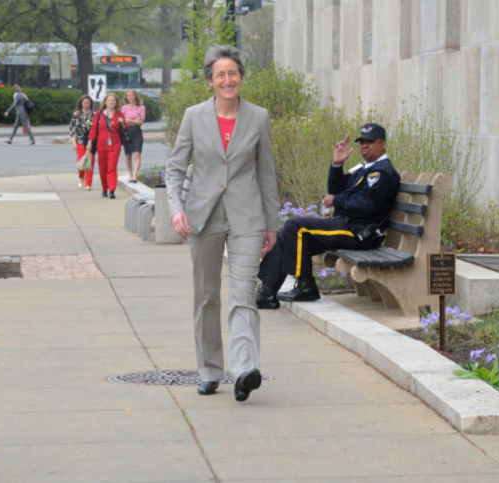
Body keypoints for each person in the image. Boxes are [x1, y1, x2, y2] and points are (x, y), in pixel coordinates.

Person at [166, 45, 279, 402]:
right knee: (207, 296)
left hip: (247, 217)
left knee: (244, 294)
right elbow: (175, 167)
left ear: (241, 77)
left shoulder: (258, 117)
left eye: (233, 73)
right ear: (211, 81)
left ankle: (244, 370)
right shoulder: (194, 116)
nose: (228, 80)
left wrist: (272, 224)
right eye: (221, 75)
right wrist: (175, 208)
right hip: (203, 216)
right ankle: (209, 370)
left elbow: (266, 174)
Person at [256, 122, 401, 309]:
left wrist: (336, 201)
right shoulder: (365, 169)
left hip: (361, 233)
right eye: (362, 142)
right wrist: (337, 165)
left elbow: (368, 205)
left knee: (295, 226)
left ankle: (306, 285)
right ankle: (267, 291)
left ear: (382, 144)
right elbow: (336, 188)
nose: (365, 145)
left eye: (370, 141)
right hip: (346, 225)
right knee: (287, 233)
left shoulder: (383, 172)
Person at [86, 93, 127, 199]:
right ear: (105, 102)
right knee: (102, 168)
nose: (111, 102)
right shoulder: (99, 114)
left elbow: (125, 128)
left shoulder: (119, 114)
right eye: (109, 100)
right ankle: (105, 188)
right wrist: (90, 142)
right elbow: (94, 129)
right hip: (101, 144)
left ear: (116, 103)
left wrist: (123, 123)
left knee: (112, 167)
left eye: (113, 100)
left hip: (115, 144)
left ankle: (112, 189)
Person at [69, 95, 96, 190]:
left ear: (90, 104)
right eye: (84, 103)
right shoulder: (77, 114)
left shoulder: (94, 114)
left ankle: (88, 183)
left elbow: (96, 128)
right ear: (81, 103)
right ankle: (81, 178)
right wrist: (73, 142)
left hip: (91, 141)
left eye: (88, 103)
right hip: (80, 140)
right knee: (81, 161)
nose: (86, 105)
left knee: (90, 162)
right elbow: (73, 129)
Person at [121, 89, 145, 183]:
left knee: (137, 154)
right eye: (128, 96)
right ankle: (130, 174)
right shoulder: (124, 108)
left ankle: (135, 176)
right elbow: (123, 122)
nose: (130, 97)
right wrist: (135, 120)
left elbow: (141, 122)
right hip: (126, 132)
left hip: (137, 132)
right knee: (128, 156)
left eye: (132, 95)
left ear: (135, 96)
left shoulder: (141, 107)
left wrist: (129, 120)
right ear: (126, 97)